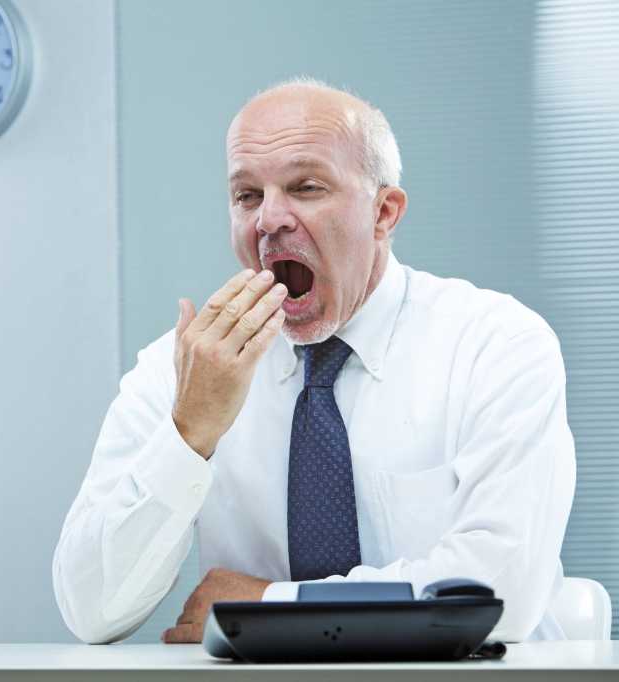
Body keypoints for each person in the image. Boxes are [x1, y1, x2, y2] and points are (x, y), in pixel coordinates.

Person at [52, 77, 575, 645]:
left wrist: (272, 606)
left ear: (384, 213)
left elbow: (499, 592)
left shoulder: (495, 344)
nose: (269, 220)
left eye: (305, 187)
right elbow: (92, 609)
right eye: (247, 196)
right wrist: (189, 434)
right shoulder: (180, 370)